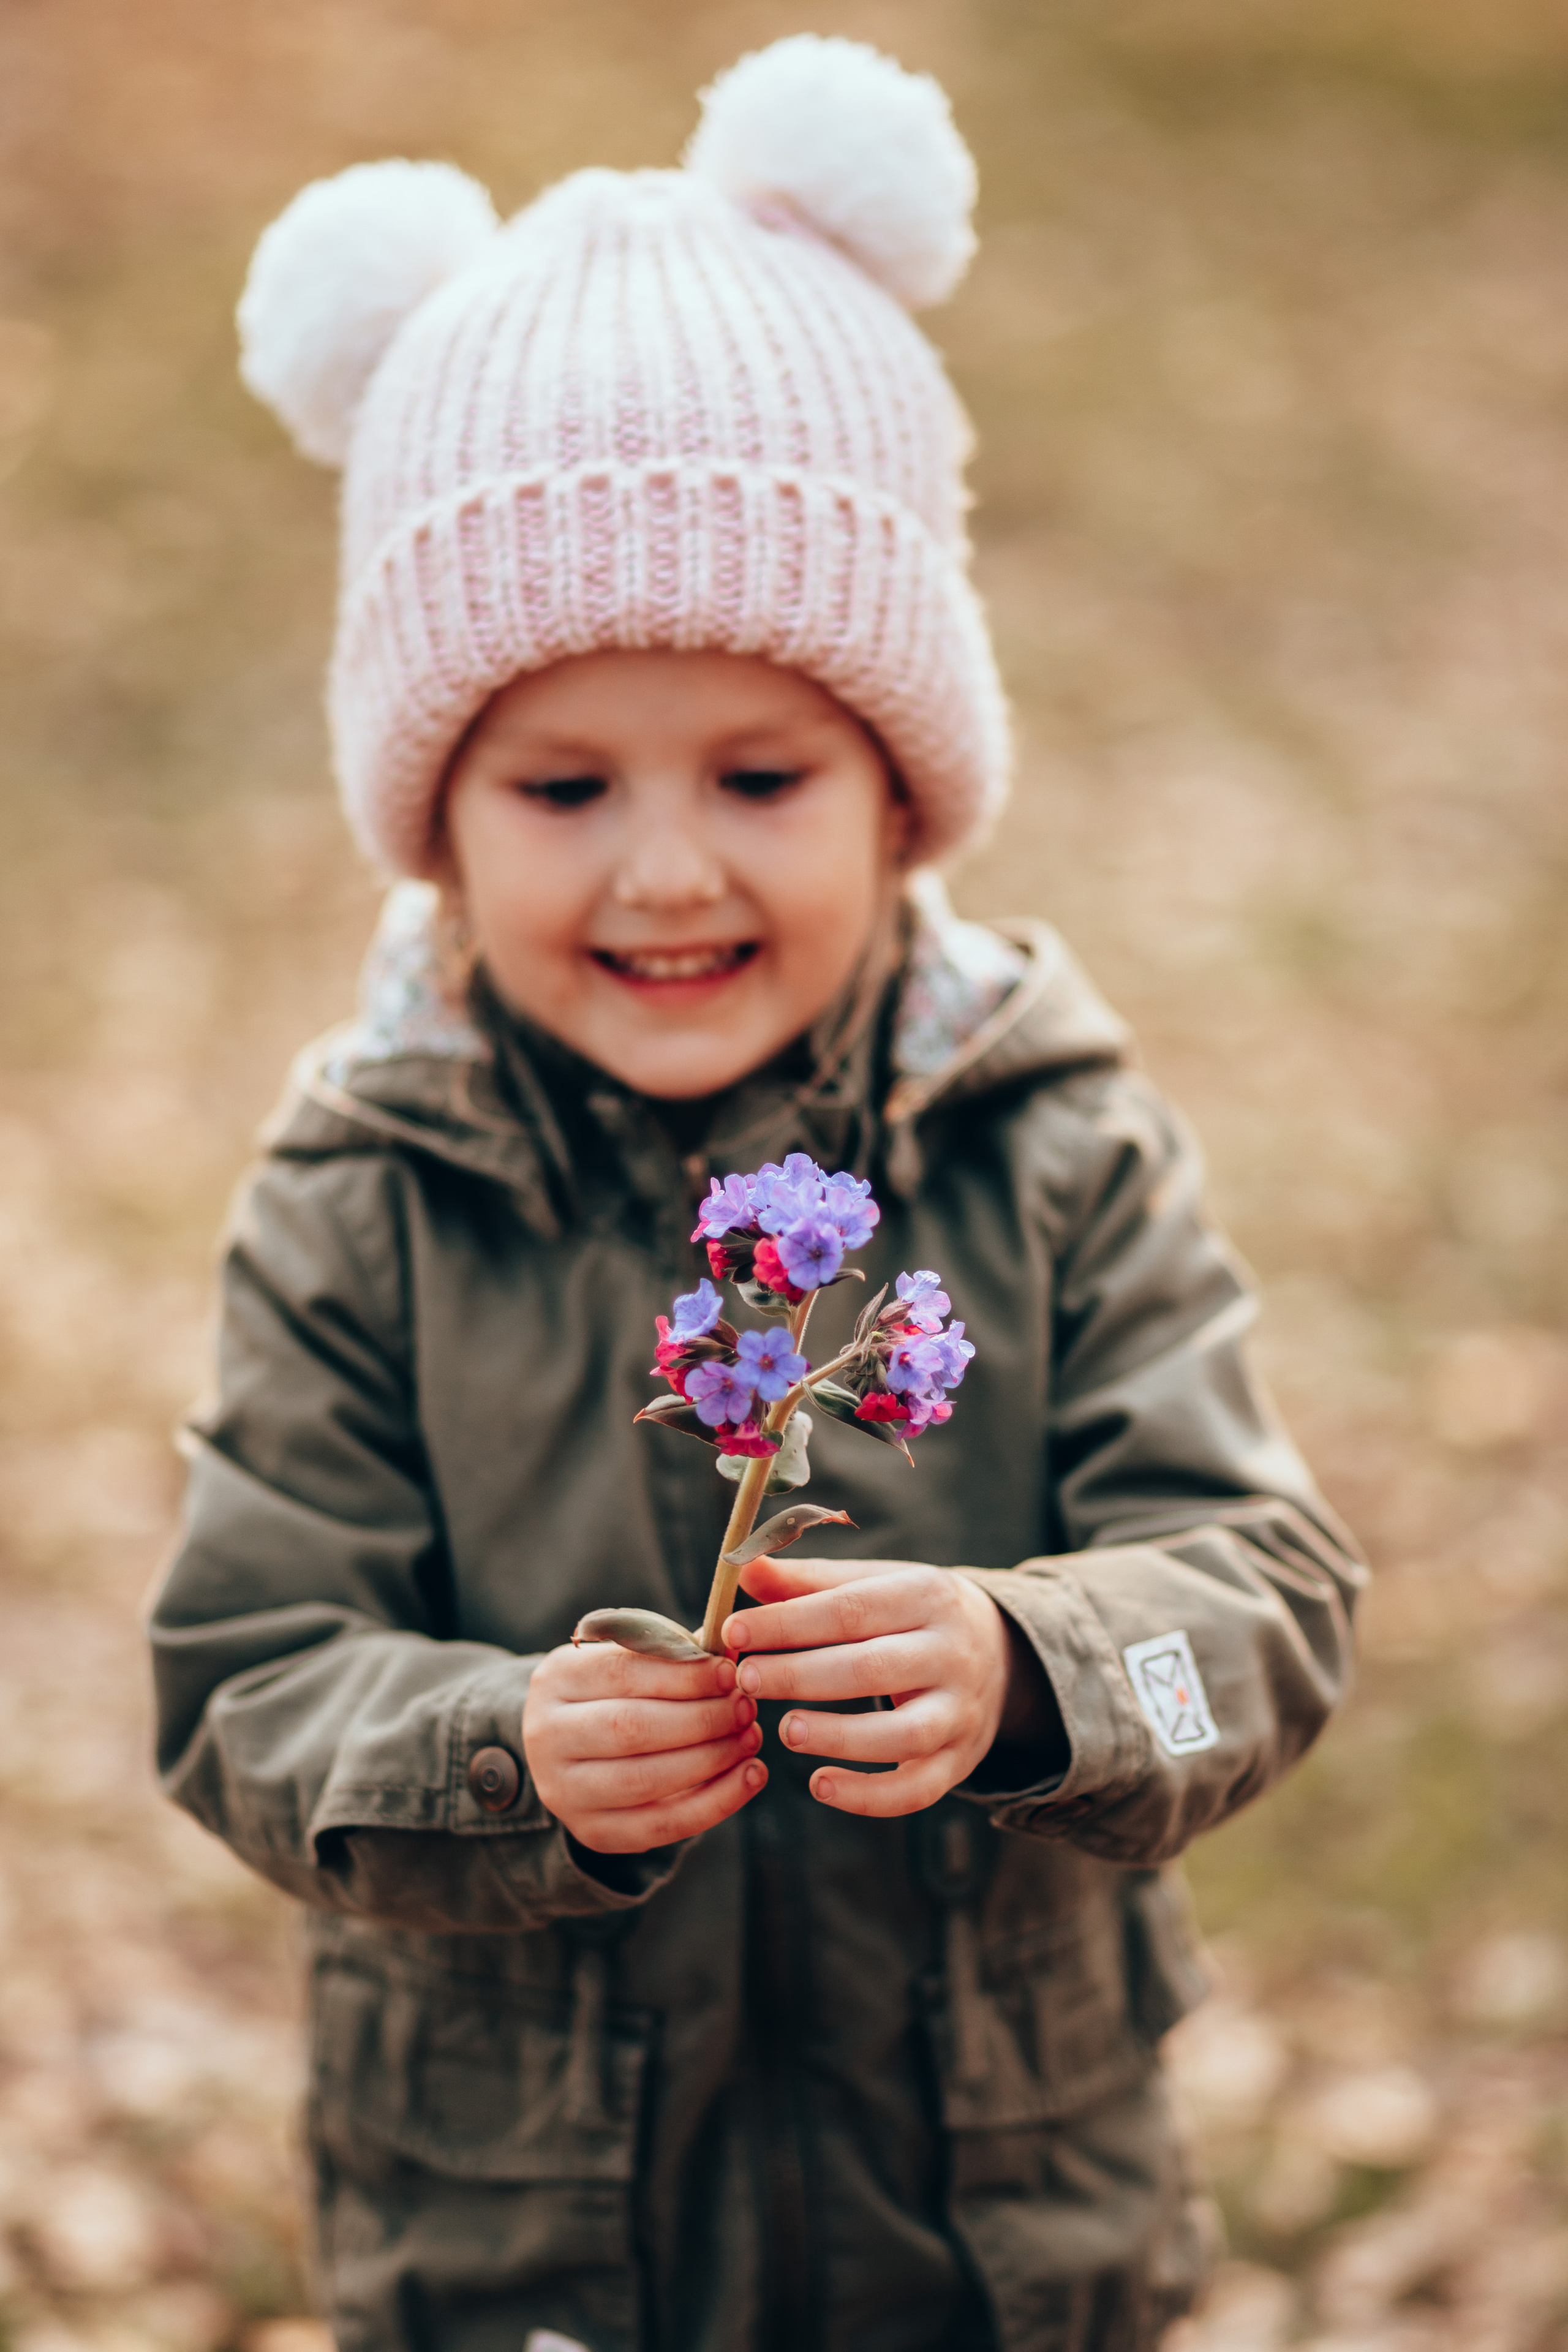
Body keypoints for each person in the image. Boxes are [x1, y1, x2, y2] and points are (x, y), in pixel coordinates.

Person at [149, 36, 1363, 2352]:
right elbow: (241, 1689)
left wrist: (1044, 1672)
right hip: (530, 2252)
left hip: (999, 2246)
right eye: (567, 782)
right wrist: (503, 1757)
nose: (671, 865)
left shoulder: (1051, 1142)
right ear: (436, 815)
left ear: (909, 794)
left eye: (766, 770)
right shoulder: (362, 1195)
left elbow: (1271, 1622)